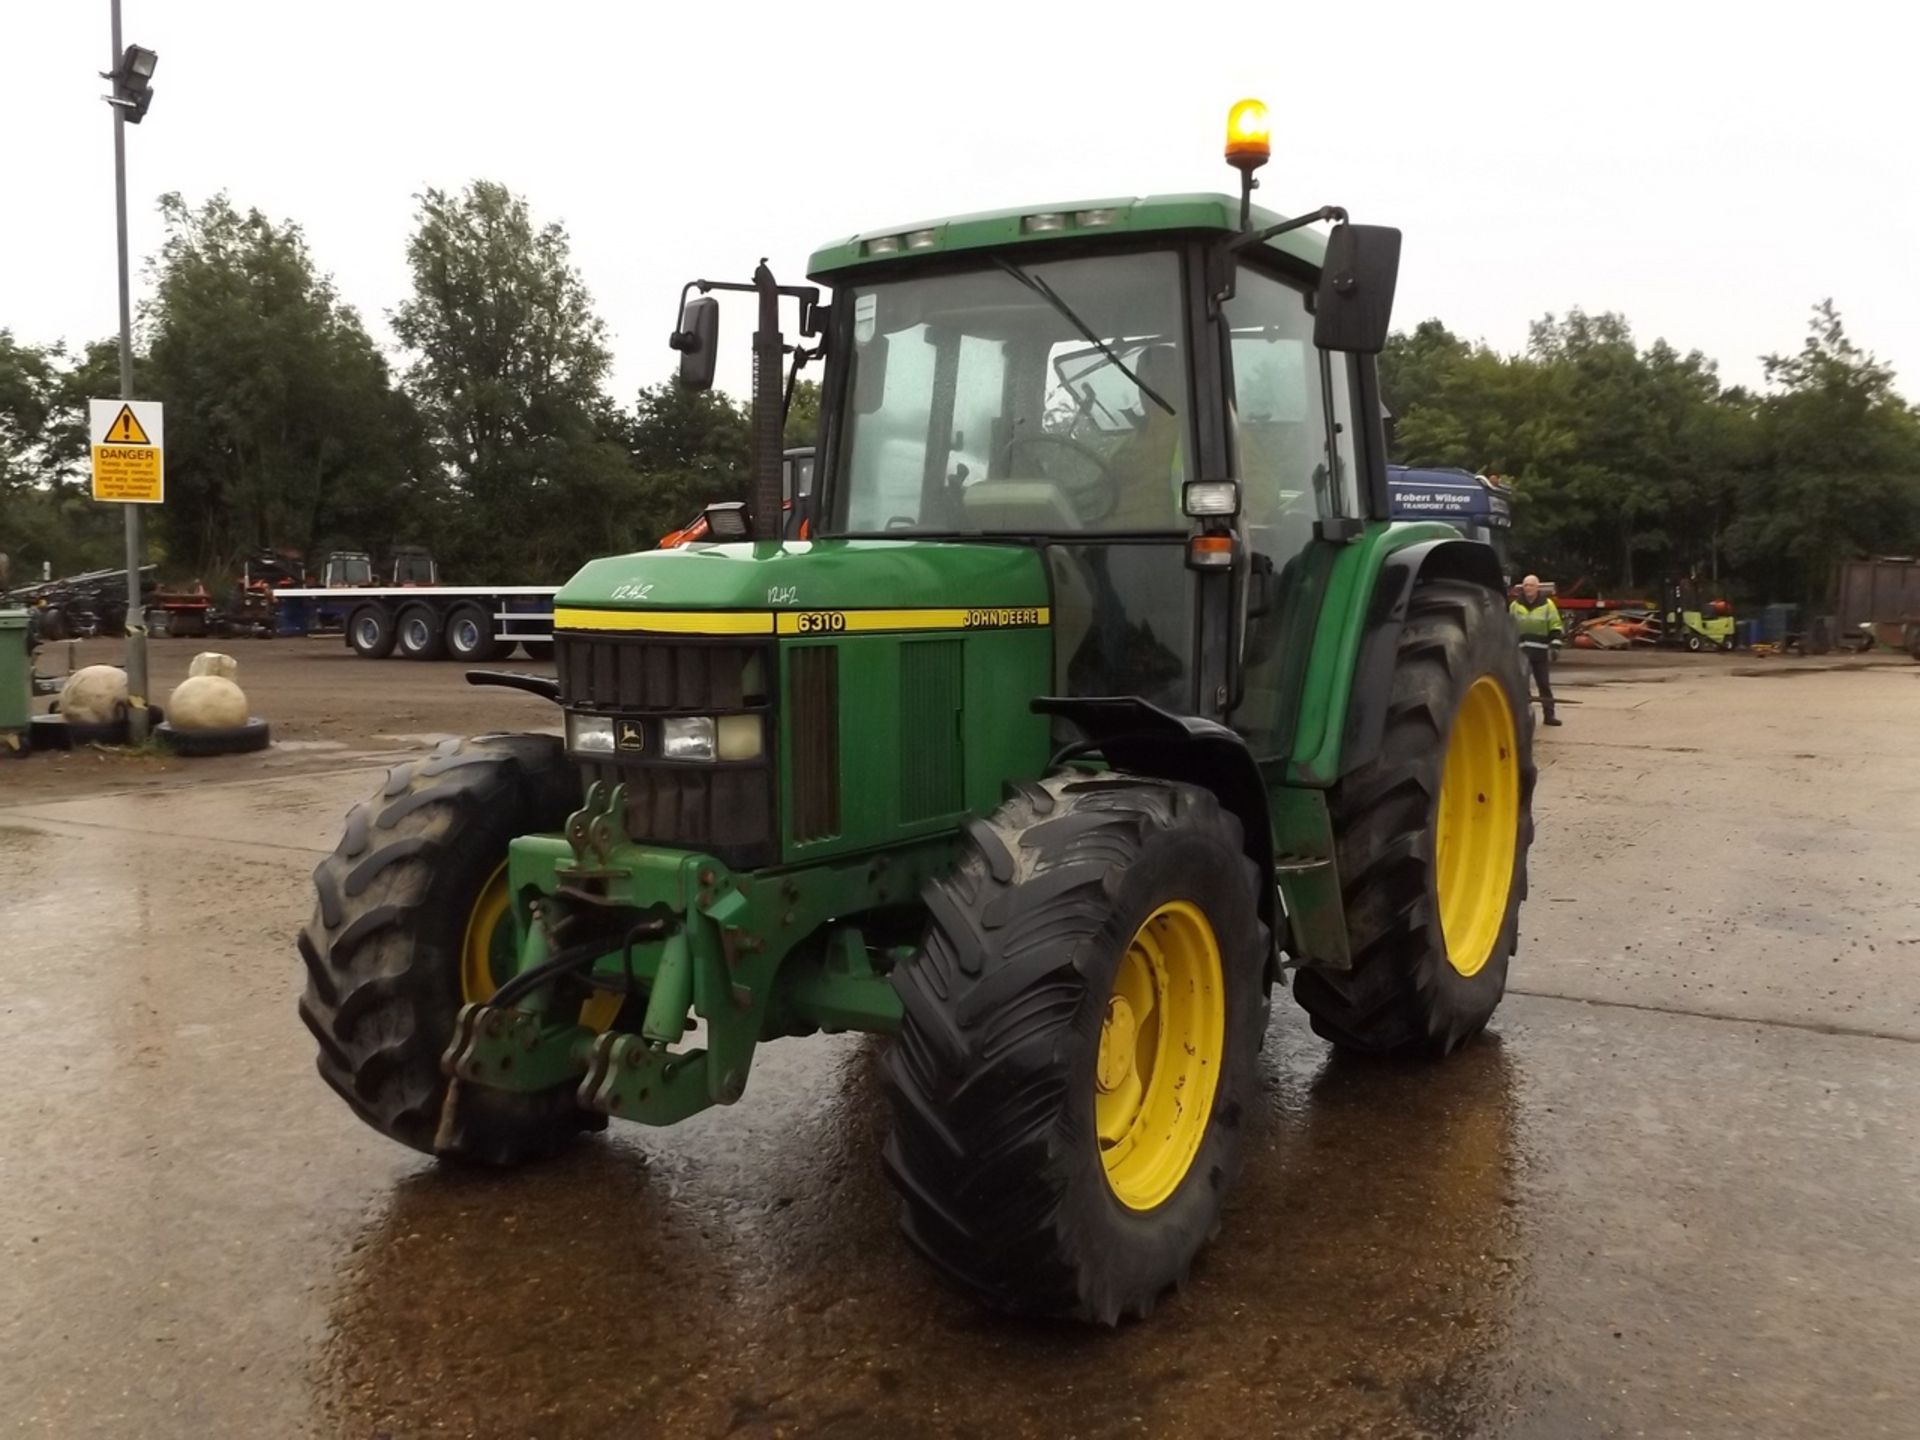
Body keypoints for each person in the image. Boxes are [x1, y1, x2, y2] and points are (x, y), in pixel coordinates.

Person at [1510, 574, 1564, 726]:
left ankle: (1549, 715)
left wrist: (1555, 646)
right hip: (1522, 652)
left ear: (1537, 587)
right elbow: (1510, 627)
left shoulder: (1547, 605)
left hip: (1540, 652)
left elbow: (1555, 626)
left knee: (1544, 685)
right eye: (1526, 585)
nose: (1528, 588)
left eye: (1531, 585)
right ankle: (1524, 716)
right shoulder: (1515, 605)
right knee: (1523, 686)